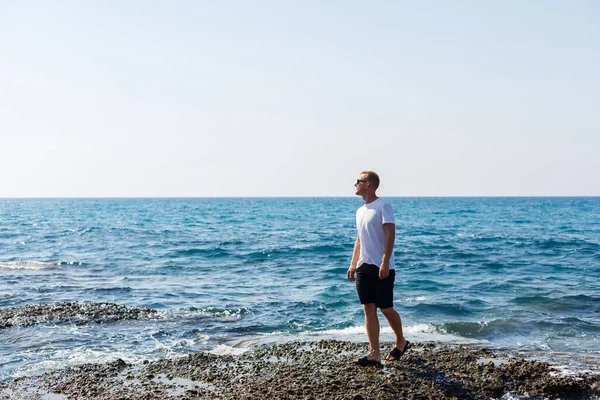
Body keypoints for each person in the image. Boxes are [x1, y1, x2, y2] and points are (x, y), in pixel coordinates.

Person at [347, 171, 410, 366]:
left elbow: (390, 234)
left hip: (382, 266)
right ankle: (374, 352)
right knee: (368, 307)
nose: (355, 184)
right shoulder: (360, 211)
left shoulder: (383, 206)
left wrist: (384, 262)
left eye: (359, 181)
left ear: (369, 185)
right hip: (363, 266)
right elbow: (359, 239)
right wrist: (352, 263)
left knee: (385, 307)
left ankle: (401, 341)